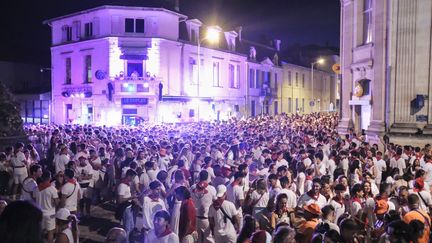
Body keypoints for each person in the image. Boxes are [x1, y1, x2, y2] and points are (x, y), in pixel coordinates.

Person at [34, 170, 60, 243]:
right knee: (50, 232)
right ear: (49, 178)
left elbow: (34, 199)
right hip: (50, 214)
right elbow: (57, 202)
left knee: (41, 232)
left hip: (39, 213)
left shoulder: (36, 188)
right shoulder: (52, 189)